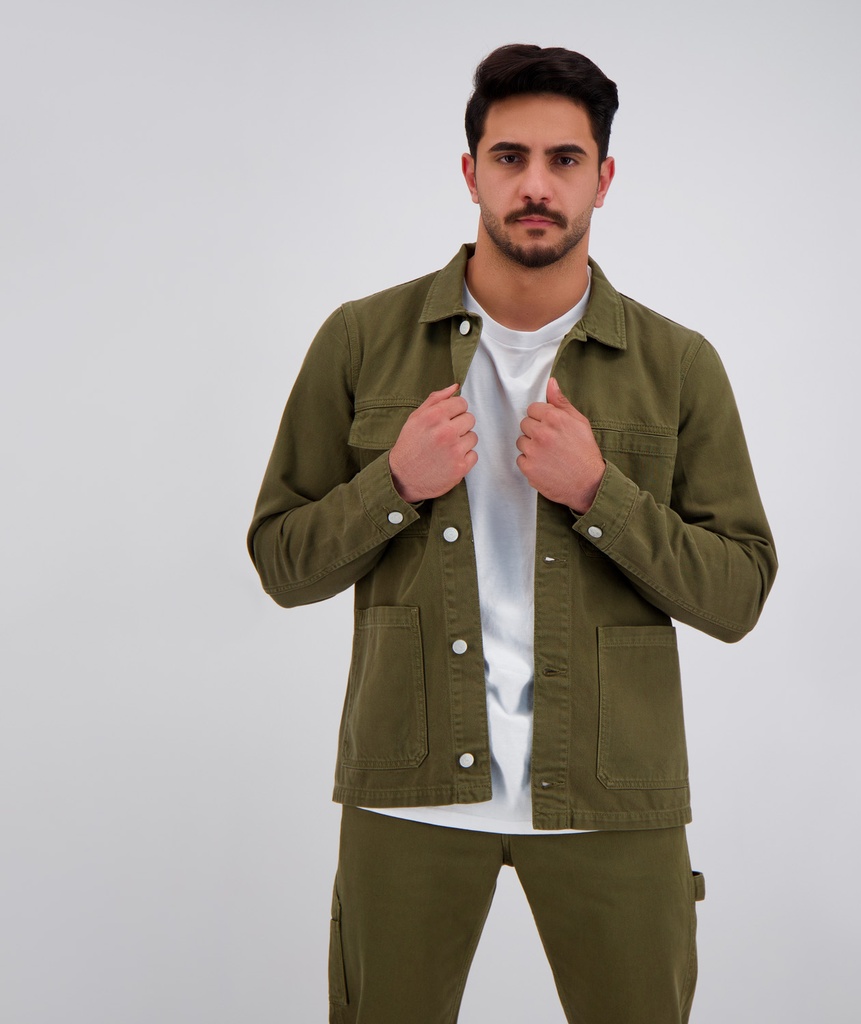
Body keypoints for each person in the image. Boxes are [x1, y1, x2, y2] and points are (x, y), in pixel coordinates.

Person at [248, 43, 777, 1024]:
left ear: (603, 179)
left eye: (564, 159)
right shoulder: (361, 339)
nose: (536, 185)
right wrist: (394, 484)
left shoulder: (676, 364)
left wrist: (600, 494)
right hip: (409, 787)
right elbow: (282, 562)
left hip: (609, 794)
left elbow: (738, 593)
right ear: (471, 171)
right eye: (510, 157)